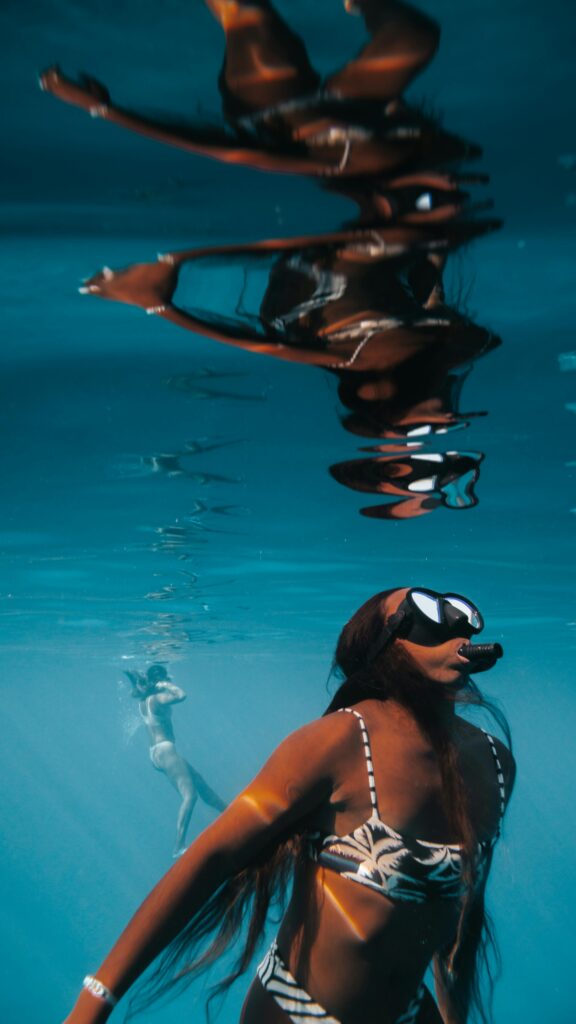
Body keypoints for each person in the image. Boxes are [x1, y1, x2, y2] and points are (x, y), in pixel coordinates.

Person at [70, 587, 514, 1024]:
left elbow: (458, 917)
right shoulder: (337, 741)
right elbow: (212, 857)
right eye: (427, 612)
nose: (457, 627)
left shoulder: (496, 763)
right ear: (387, 643)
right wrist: (95, 1001)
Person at [39, 1, 480, 179]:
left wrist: (103, 109)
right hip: (355, 108)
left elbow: (226, 150)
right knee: (417, 36)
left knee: (246, 10)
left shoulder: (344, 165)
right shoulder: (435, 167)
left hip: (274, 110)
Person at [126, 664, 227, 857]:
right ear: (159, 681)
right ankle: (178, 846)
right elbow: (181, 695)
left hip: (156, 753)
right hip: (165, 750)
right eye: (165, 679)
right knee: (190, 796)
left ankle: (227, 811)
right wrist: (165, 684)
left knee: (199, 782)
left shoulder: (144, 701)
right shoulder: (157, 698)